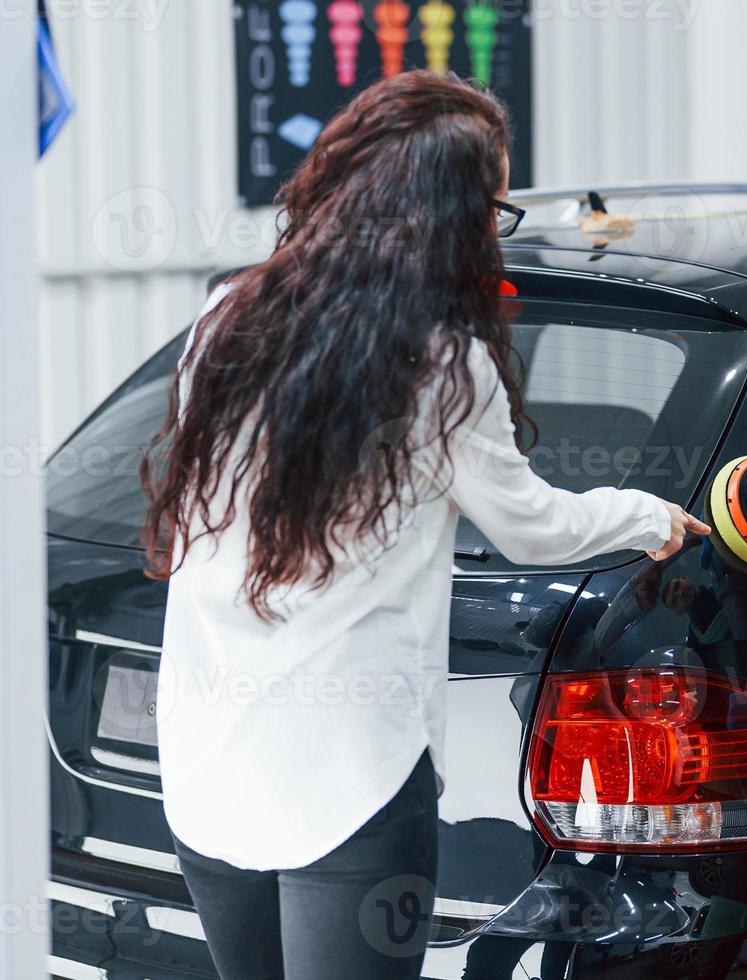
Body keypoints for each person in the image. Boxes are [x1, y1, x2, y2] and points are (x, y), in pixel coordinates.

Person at [140, 71, 709, 980]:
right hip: (350, 777)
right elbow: (533, 527)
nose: (494, 230)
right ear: (448, 215)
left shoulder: (222, 320)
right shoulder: (442, 365)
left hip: (210, 765)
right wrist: (649, 515)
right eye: (494, 208)